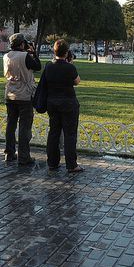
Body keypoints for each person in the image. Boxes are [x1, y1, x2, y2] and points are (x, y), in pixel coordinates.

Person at [45, 39, 82, 173]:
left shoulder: (49, 66)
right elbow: (77, 81)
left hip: (52, 102)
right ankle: (71, 164)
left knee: (54, 133)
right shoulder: (69, 67)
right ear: (66, 53)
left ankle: (52, 162)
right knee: (70, 134)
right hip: (68, 103)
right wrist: (70, 64)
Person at [3, 33, 41, 164]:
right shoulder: (25, 56)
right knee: (24, 126)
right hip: (24, 94)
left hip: (10, 93)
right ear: (22, 44)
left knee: (11, 125)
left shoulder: (6, 56)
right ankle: (24, 156)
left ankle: (9, 153)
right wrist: (33, 52)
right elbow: (38, 66)